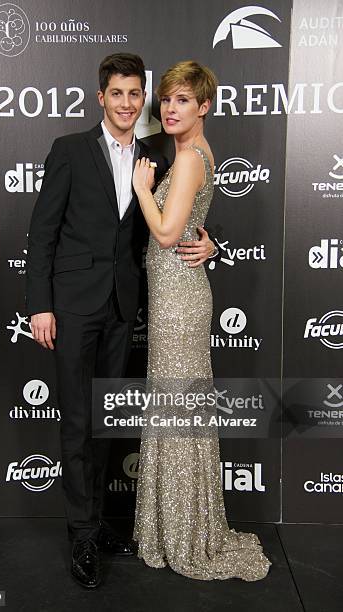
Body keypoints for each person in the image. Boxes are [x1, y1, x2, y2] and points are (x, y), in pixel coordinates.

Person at [26, 53, 218, 589]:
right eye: (118, 94)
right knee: (75, 422)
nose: (129, 104)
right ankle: (82, 535)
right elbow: (42, 235)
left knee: (108, 419)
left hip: (122, 307)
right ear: (101, 97)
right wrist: (40, 304)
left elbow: (186, 212)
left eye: (137, 94)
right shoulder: (68, 151)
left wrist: (211, 245)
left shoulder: (160, 150)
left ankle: (97, 524)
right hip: (71, 307)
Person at [132, 60, 271, 581]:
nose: (169, 108)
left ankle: (183, 534)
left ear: (205, 106)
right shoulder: (197, 153)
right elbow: (188, 227)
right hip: (181, 295)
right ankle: (185, 527)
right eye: (166, 99)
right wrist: (205, 238)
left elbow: (168, 235)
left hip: (179, 301)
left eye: (183, 100)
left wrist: (143, 188)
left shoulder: (189, 158)